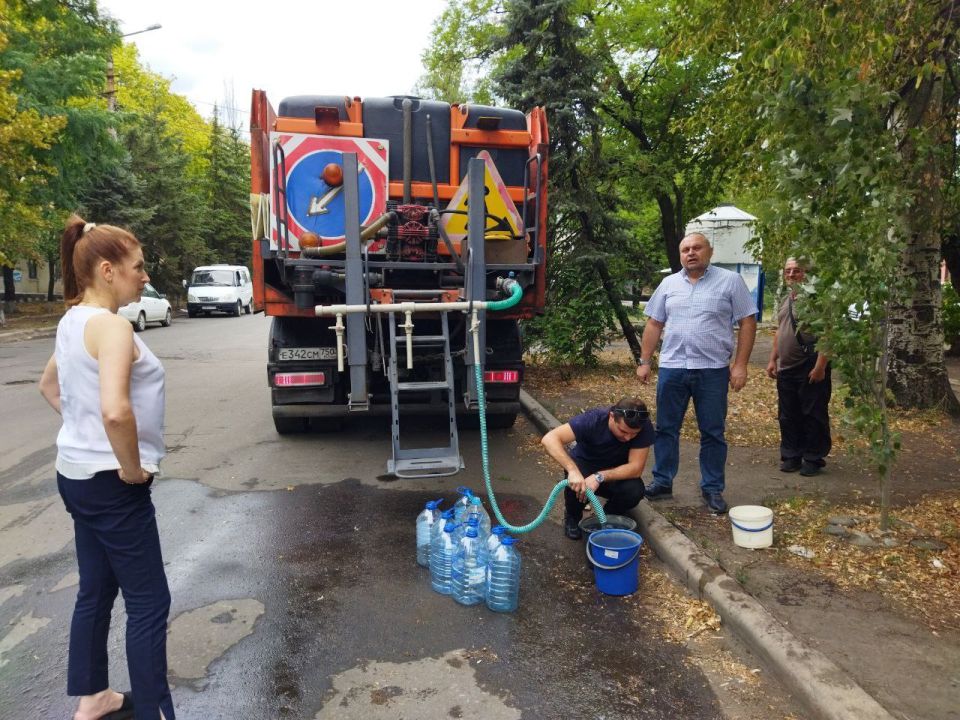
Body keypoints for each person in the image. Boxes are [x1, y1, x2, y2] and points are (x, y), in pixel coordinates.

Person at [39, 216, 175, 720]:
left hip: (74, 475)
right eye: (137, 267)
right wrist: (132, 468)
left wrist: (86, 436)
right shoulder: (113, 327)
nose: (144, 276)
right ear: (106, 269)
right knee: (149, 603)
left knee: (95, 588)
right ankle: (155, 713)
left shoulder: (72, 320)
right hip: (112, 483)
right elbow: (116, 411)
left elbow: (51, 387)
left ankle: (93, 696)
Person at [636, 232, 758, 514]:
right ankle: (662, 482)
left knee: (713, 432)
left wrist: (740, 365)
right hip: (673, 368)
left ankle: (712, 488)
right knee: (666, 429)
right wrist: (644, 361)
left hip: (712, 371)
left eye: (696, 248)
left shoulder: (730, 282)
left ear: (709, 252)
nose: (691, 253)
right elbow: (654, 323)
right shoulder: (668, 284)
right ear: (680, 255)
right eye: (685, 249)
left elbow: (747, 322)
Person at [541, 397, 654, 540]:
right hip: (585, 466)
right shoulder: (593, 420)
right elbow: (549, 439)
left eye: (634, 434)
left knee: (634, 490)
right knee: (576, 484)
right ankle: (572, 517)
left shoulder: (643, 426)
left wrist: (599, 476)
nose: (628, 438)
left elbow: (636, 468)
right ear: (612, 417)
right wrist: (573, 471)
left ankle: (607, 516)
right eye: (623, 431)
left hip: (614, 473)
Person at [765, 257, 831, 476]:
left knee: (813, 413)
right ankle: (792, 455)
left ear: (807, 274)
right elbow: (780, 331)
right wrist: (773, 359)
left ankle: (813, 457)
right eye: (788, 271)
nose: (791, 274)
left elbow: (828, 333)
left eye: (797, 271)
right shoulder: (787, 299)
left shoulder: (816, 299)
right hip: (786, 367)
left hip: (809, 364)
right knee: (787, 413)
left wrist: (821, 365)